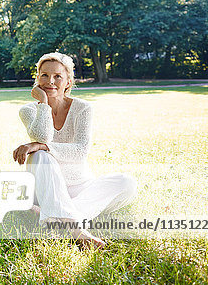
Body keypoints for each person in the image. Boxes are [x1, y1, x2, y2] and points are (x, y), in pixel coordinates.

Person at [13, 52, 136, 248]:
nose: (50, 81)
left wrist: (42, 145)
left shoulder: (83, 108)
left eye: (57, 76)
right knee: (39, 156)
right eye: (44, 75)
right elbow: (42, 136)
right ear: (37, 79)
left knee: (126, 183)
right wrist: (44, 103)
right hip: (46, 187)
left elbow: (80, 151)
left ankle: (54, 217)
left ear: (68, 81)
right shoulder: (28, 110)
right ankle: (76, 230)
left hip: (81, 185)